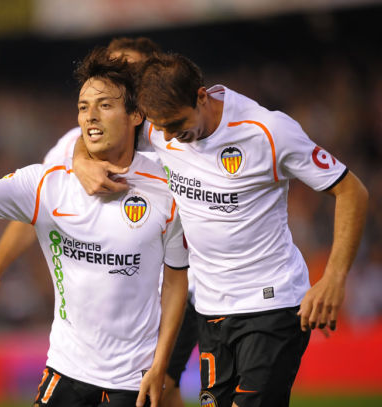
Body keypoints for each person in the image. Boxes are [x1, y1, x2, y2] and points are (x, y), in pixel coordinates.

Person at [73, 53, 369, 406]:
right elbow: (98, 135)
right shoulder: (160, 127)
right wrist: (80, 161)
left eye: (177, 124)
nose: (169, 136)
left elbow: (351, 190)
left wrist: (334, 277)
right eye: (160, 126)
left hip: (271, 304)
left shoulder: (268, 131)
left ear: (202, 97)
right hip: (211, 310)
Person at [0, 47, 189, 407]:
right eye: (83, 107)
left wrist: (161, 364)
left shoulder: (167, 186)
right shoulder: (46, 183)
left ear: (135, 114)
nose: (91, 116)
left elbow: (176, 280)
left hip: (133, 380)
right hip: (65, 372)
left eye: (104, 105)